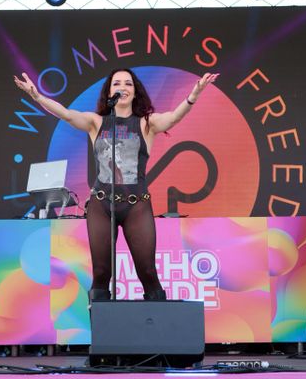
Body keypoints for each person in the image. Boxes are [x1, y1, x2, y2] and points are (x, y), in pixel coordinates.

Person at [14, 68, 218, 301]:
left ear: (135, 91)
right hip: (102, 205)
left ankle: (157, 321)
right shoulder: (96, 122)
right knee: (101, 272)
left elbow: (173, 118)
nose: (122, 87)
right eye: (117, 83)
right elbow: (67, 115)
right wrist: (36, 96)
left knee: (148, 271)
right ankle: (101, 321)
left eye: (128, 84)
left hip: (136, 205)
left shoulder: (147, 123)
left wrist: (194, 94)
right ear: (109, 91)